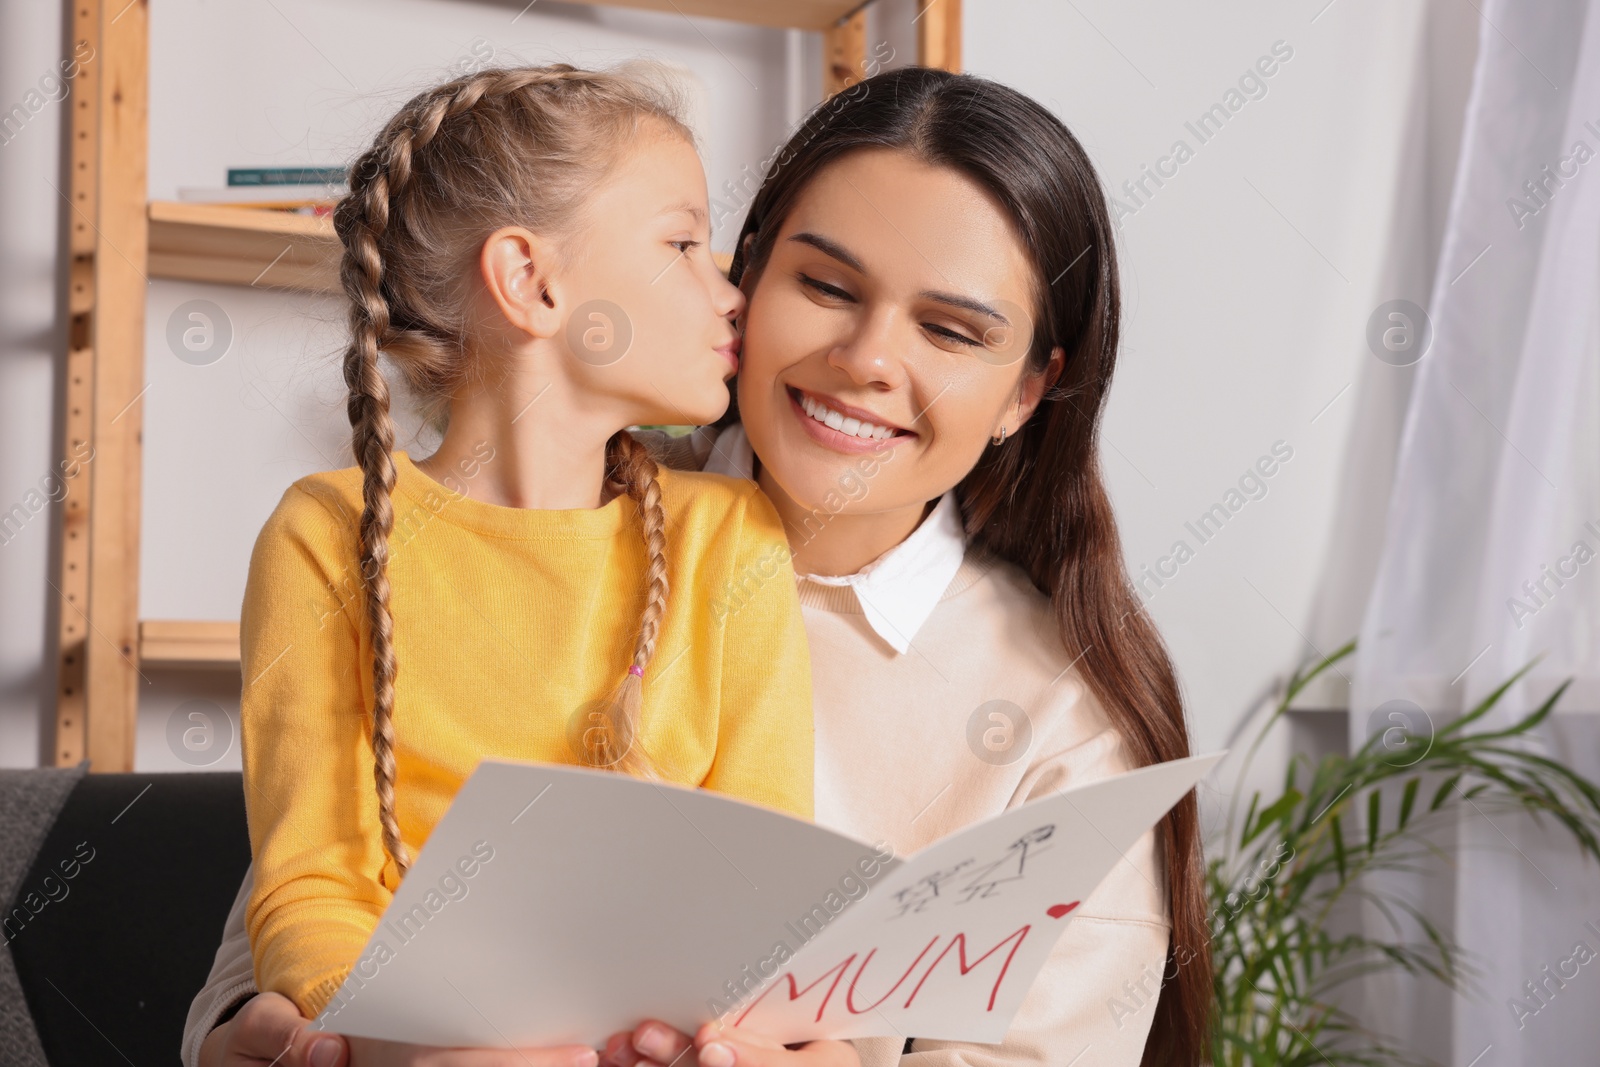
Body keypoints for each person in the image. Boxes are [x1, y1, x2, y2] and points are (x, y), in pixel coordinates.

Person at [188, 66, 1209, 1067]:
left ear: (1029, 391)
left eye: (950, 330)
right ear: (749, 274)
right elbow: (297, 904)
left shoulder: (1065, 724)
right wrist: (294, 1039)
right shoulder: (442, 535)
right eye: (822, 283)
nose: (865, 358)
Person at [214, 63, 817, 1067]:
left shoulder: (733, 538)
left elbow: (769, 873)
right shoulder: (324, 535)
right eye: (682, 244)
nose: (731, 295)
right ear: (532, 281)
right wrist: (407, 1043)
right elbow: (311, 887)